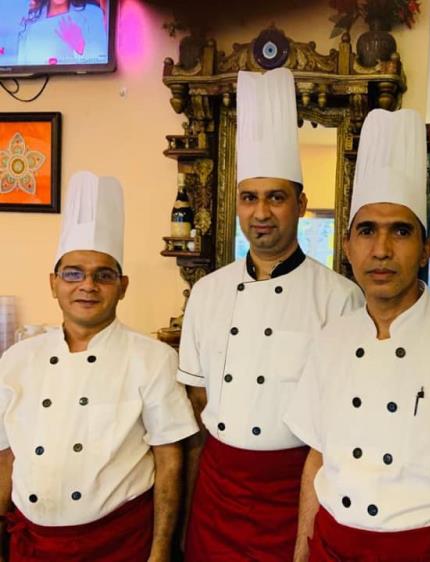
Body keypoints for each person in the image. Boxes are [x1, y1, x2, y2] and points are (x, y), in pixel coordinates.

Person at [284, 108, 430, 562]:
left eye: (401, 231)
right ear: (347, 246)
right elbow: (317, 458)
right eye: (367, 231)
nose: (381, 250)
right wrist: (300, 550)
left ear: (426, 249)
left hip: (427, 551)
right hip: (331, 548)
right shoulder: (330, 340)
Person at [179, 67, 363, 562]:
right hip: (219, 488)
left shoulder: (340, 299)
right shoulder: (207, 293)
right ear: (237, 205)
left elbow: (342, 420)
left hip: (295, 486)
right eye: (249, 198)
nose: (261, 213)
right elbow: (198, 400)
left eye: (276, 197)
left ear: (300, 204)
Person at [0, 171, 198, 562]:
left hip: (118, 542)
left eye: (103, 276)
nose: (87, 285)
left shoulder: (153, 358)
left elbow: (169, 460)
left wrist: (161, 551)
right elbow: (5, 456)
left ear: (122, 286)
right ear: (54, 283)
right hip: (32, 544)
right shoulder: (17, 358)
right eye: (73, 273)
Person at [17, 0, 108, 66]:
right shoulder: (29, 22)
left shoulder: (92, 14)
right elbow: (22, 66)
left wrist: (80, 48)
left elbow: (101, 59)